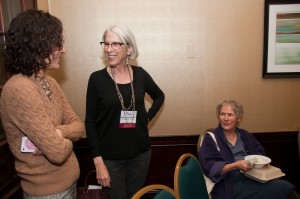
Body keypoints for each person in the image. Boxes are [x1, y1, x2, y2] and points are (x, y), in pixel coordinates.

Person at [0, 10, 84, 199]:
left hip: (67, 183)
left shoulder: (49, 82)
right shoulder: (19, 89)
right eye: (58, 44)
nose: (63, 50)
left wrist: (58, 132)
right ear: (38, 44)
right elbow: (57, 152)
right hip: (49, 193)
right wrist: (59, 137)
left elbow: (79, 126)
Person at [85, 24, 165, 199]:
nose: (109, 49)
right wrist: (98, 162)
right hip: (110, 159)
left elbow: (159, 96)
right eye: (106, 44)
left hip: (140, 155)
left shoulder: (140, 74)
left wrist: (145, 118)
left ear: (128, 48)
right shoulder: (96, 79)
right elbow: (90, 122)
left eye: (115, 44)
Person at [198, 100, 299, 199]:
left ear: (238, 118)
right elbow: (210, 167)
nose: (226, 118)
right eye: (222, 114)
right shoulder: (210, 138)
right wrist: (235, 165)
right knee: (284, 188)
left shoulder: (244, 135)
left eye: (230, 115)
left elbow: (260, 154)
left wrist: (254, 163)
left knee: (282, 186)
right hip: (228, 184)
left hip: (252, 177)